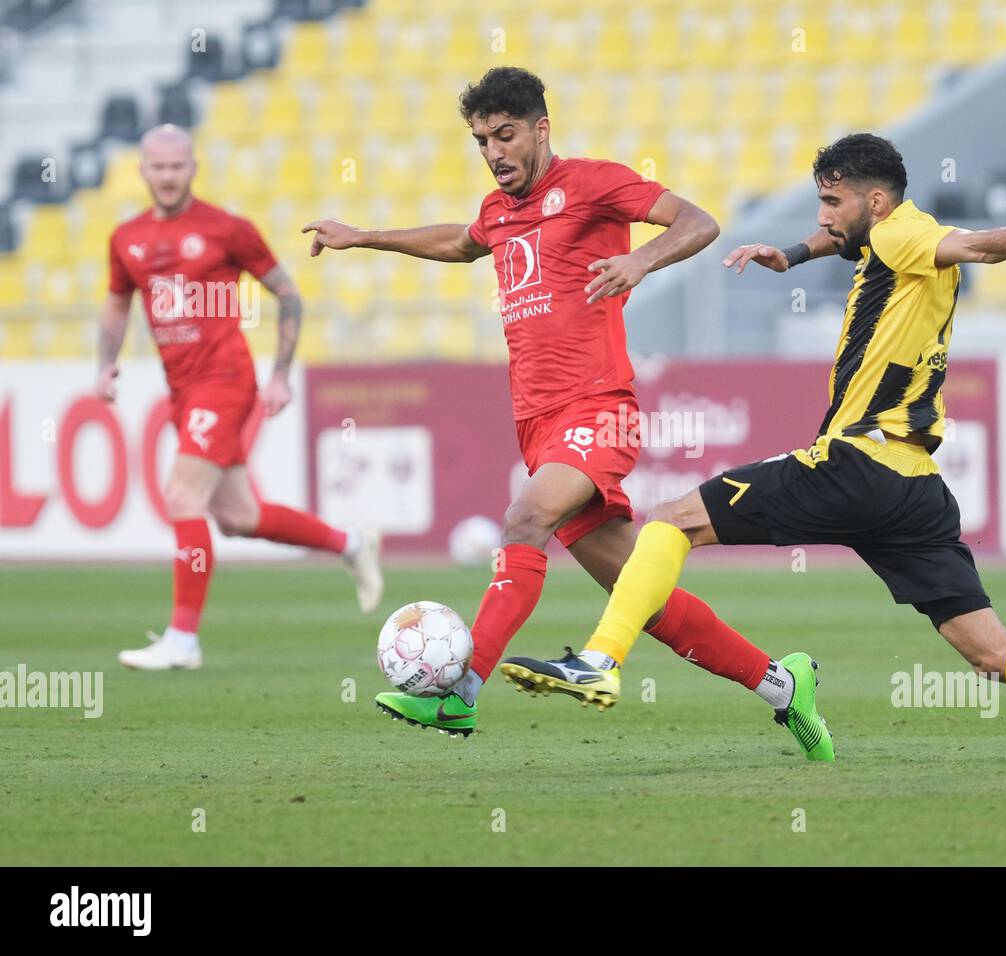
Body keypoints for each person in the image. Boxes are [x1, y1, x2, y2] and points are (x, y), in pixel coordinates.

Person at [505, 132, 1006, 767]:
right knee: (991, 651)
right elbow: (856, 241)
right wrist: (789, 254)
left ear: (874, 202)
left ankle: (600, 661)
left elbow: (973, 244)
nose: (823, 216)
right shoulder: (889, 237)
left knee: (668, 522)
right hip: (913, 486)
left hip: (855, 461)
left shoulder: (906, 236)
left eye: (832, 201)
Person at [304, 67, 832, 756]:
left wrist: (640, 262)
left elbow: (698, 222)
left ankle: (460, 694)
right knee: (641, 597)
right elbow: (462, 244)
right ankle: (781, 685)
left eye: (506, 134)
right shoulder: (498, 213)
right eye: (481, 140)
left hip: (599, 408)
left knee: (524, 520)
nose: (494, 152)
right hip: (538, 424)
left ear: (540, 129)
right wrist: (365, 236)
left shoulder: (591, 183)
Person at [99, 124, 382, 671]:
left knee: (182, 498)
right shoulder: (125, 238)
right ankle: (351, 544)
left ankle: (183, 640)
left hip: (225, 381)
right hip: (181, 390)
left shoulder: (227, 230)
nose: (167, 176)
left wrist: (279, 374)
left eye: (176, 166)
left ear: (193, 167)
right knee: (236, 516)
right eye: (157, 167)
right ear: (142, 171)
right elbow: (115, 303)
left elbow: (287, 294)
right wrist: (105, 365)